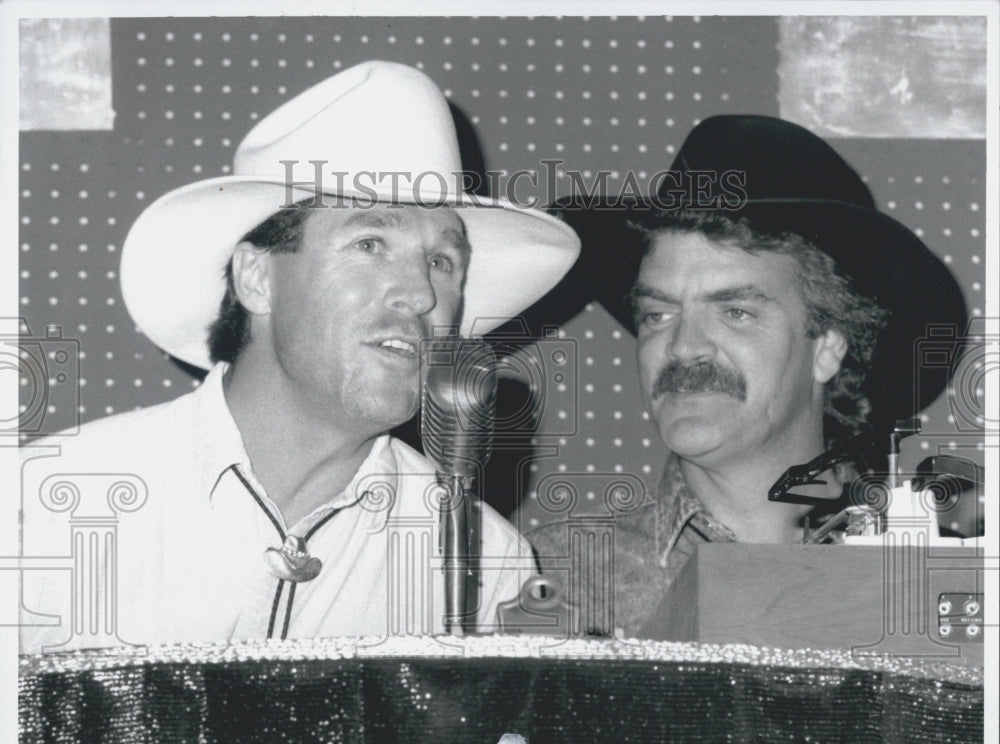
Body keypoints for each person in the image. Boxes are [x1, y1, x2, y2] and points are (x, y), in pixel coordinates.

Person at [19, 61, 579, 653]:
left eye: (443, 262)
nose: (421, 295)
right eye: (370, 244)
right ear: (257, 278)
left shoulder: (486, 566)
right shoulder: (43, 509)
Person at [529, 115, 966, 637]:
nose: (683, 346)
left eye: (735, 311)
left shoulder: (938, 586)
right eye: (658, 314)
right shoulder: (556, 580)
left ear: (827, 345)